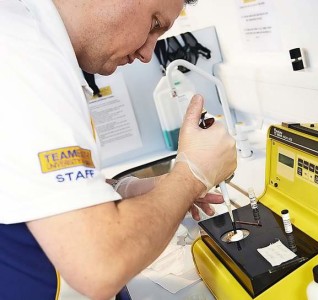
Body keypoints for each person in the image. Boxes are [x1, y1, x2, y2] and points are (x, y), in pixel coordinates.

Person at [0, 0, 237, 299]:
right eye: (153, 25)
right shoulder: (23, 55)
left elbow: (30, 184)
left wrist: (126, 189)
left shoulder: (30, 39)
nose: (147, 53)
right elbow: (99, 264)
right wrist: (191, 176)